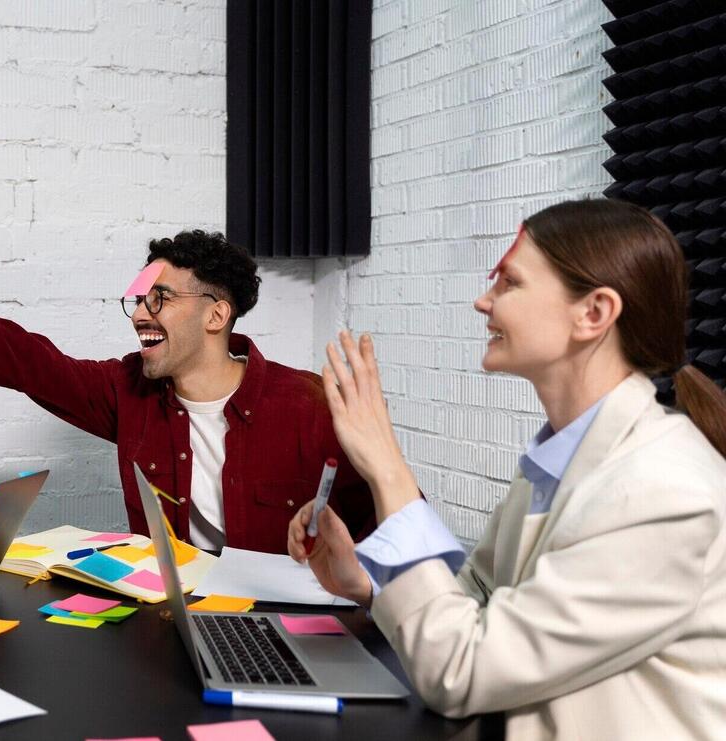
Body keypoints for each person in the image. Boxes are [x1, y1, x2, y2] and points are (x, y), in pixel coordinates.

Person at [289, 198, 726, 739]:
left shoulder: (664, 490)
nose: (482, 301)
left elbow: (461, 671)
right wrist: (369, 586)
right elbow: (476, 598)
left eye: (510, 283)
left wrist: (388, 470)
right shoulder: (562, 461)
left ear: (593, 313)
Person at [0, 230, 374, 553]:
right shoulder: (128, 391)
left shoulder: (313, 405)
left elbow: (395, 538)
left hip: (284, 630)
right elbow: (25, 360)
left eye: (161, 298)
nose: (140, 315)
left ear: (217, 314)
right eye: (137, 300)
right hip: (174, 628)